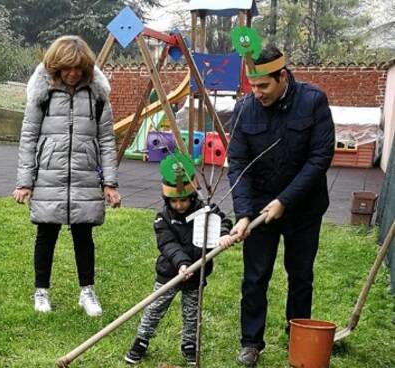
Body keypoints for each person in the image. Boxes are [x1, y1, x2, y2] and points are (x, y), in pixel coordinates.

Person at [227, 45, 335, 366]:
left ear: (282, 76)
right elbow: (238, 162)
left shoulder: (313, 101)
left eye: (264, 86)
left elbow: (319, 158)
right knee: (255, 277)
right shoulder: (245, 109)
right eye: (252, 86)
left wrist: (285, 201)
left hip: (303, 208)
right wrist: (244, 213)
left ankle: (299, 338)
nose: (257, 93)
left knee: (300, 275)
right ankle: (250, 342)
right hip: (260, 210)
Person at [13, 35, 121, 317]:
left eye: (78, 68)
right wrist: (25, 182)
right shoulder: (42, 94)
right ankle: (41, 291)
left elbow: (108, 140)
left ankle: (87, 291)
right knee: (46, 233)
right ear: (55, 67)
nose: (73, 74)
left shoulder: (98, 96)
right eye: (66, 68)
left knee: (83, 235)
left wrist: (109, 183)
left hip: (85, 175)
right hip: (49, 175)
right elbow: (29, 138)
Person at [124, 165, 233, 365]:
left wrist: (224, 234)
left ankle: (189, 345)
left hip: (197, 272)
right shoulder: (162, 217)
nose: (179, 205)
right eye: (174, 201)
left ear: (192, 197)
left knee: (192, 312)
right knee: (155, 308)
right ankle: (141, 341)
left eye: (183, 200)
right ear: (167, 200)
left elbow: (223, 221)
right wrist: (182, 264)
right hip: (171, 272)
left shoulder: (205, 209)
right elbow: (168, 244)